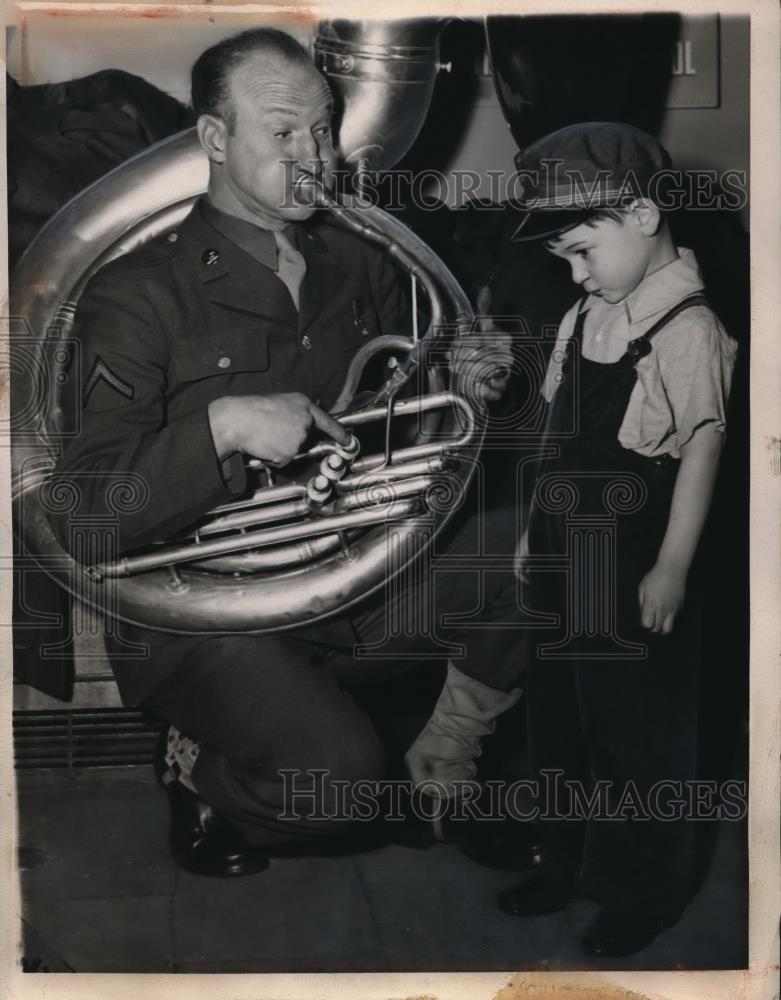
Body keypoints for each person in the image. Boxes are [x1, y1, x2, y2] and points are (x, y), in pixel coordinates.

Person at [49, 28, 526, 878]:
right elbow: (86, 513)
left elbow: (396, 423)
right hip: (206, 613)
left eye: (322, 129)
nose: (315, 156)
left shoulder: (359, 255)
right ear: (214, 140)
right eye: (282, 132)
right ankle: (199, 771)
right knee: (339, 787)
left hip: (344, 581)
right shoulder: (135, 291)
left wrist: (462, 381)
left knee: (545, 546)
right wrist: (220, 429)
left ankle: (438, 765)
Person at [497, 122, 738, 956]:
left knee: (639, 738)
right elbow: (553, 433)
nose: (573, 273)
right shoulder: (581, 316)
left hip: (638, 563)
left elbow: (703, 448)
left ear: (639, 215)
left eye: (581, 251)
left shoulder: (689, 329)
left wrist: (671, 565)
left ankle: (644, 889)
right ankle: (565, 857)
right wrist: (533, 532)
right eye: (563, 257)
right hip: (567, 552)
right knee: (559, 720)